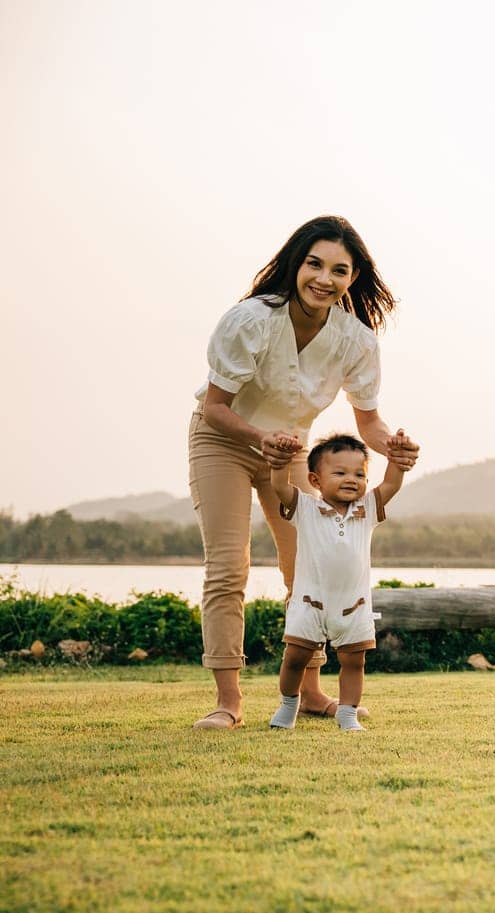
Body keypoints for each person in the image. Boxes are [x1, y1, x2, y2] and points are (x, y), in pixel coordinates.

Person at [189, 216, 419, 731]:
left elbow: (369, 422)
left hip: (292, 450)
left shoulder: (356, 340)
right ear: (296, 263)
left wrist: (396, 449)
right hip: (224, 441)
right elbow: (215, 407)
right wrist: (261, 439)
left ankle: (311, 693)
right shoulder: (249, 320)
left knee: (306, 571)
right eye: (315, 264)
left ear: (353, 278)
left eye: (339, 270)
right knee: (229, 567)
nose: (324, 278)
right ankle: (229, 701)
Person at [266, 431, 412, 732]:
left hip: (353, 605)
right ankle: (289, 705)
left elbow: (392, 483)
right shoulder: (305, 508)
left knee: (354, 662)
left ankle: (348, 714)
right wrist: (280, 457)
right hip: (309, 602)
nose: (352, 479)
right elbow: (279, 485)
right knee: (295, 658)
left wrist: (396, 457)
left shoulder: (367, 509)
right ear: (315, 480)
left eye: (360, 474)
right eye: (340, 472)